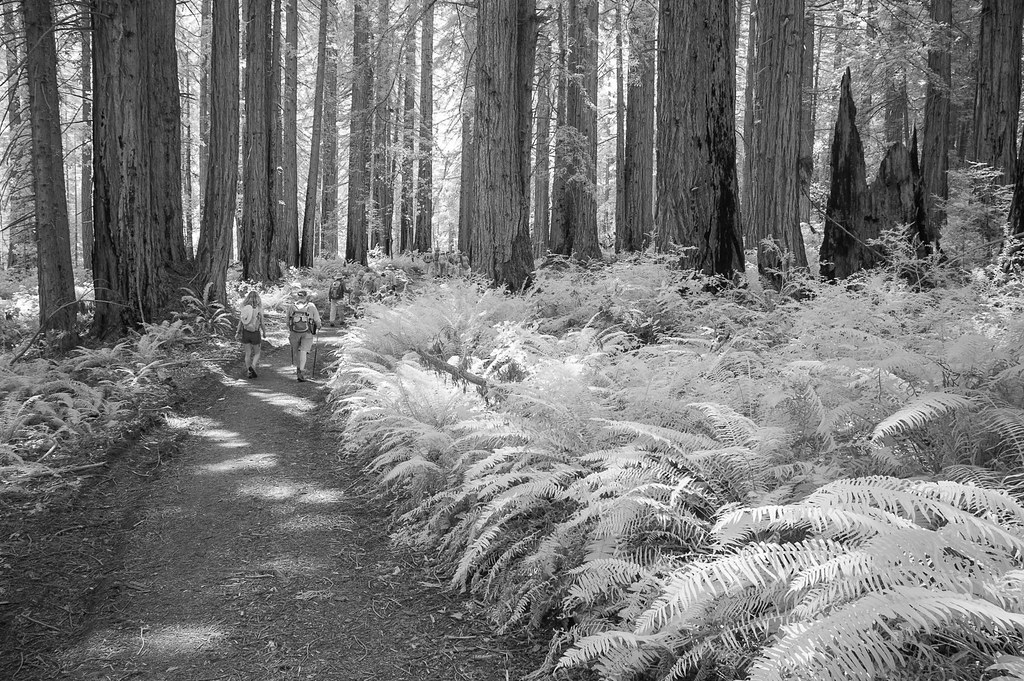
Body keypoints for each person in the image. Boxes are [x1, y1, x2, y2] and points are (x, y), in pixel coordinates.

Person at [285, 289, 322, 382]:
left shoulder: (292, 306)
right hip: (307, 332)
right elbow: (317, 320)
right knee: (303, 351)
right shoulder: (311, 306)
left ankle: (298, 368)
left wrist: (290, 328)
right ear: (306, 296)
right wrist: (318, 326)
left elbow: (286, 321)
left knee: (297, 352)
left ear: (298, 296)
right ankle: (300, 371)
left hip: (294, 332)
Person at [234, 290, 264, 379]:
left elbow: (241, 322)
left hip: (245, 333)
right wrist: (265, 333)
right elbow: (262, 323)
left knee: (247, 353)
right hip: (255, 333)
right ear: (258, 298)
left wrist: (237, 332)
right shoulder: (259, 309)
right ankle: (253, 366)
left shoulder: (244, 308)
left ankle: (249, 371)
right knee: (257, 353)